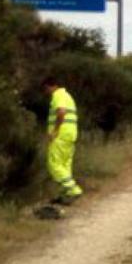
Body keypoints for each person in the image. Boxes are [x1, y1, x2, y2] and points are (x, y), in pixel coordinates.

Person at [42, 76, 83, 204]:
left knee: (54, 164)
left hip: (60, 135)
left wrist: (54, 131)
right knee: (65, 166)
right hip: (70, 135)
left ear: (50, 86)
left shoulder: (58, 95)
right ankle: (65, 195)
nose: (46, 92)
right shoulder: (67, 96)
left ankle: (73, 190)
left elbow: (61, 112)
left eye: (45, 89)